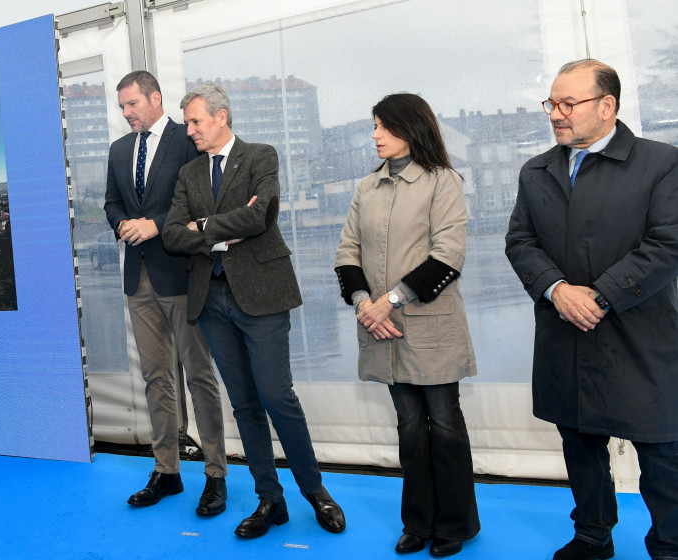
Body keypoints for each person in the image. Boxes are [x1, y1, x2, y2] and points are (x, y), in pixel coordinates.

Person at [505, 59, 678, 560]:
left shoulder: (662, 162)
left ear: (607, 106)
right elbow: (520, 242)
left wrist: (599, 296)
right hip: (565, 331)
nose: (555, 114)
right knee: (580, 444)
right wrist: (557, 290)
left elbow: (667, 244)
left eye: (568, 104)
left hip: (639, 333)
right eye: (551, 104)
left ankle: (670, 547)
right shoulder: (536, 171)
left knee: (663, 451)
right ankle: (592, 536)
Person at [162, 83, 345, 538]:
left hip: (262, 294)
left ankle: (315, 492)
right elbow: (172, 235)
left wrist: (203, 225)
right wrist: (223, 229)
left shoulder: (261, 156)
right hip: (211, 300)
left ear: (221, 117)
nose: (190, 130)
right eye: (187, 123)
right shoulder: (188, 174)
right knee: (244, 403)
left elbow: (261, 216)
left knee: (277, 397)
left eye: (196, 121)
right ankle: (270, 500)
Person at [334, 93, 480, 557]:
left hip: (430, 327)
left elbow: (448, 255)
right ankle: (417, 522)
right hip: (382, 328)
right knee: (410, 427)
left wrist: (389, 301)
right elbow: (347, 252)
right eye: (374, 125)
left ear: (411, 128)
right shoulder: (367, 187)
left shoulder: (443, 181)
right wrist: (365, 305)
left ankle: (455, 524)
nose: (374, 135)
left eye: (383, 126)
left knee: (445, 425)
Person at [103, 70, 228, 516]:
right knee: (156, 377)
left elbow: (200, 200)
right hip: (138, 280)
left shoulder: (187, 139)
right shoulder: (119, 149)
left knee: (199, 376)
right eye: (121, 106)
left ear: (154, 98)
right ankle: (167, 471)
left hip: (181, 275)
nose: (126, 112)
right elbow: (111, 202)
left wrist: (155, 225)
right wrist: (121, 223)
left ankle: (216, 474)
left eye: (132, 103)